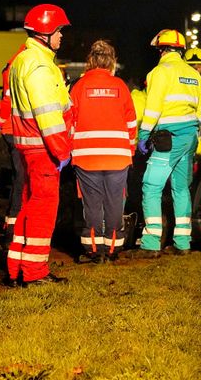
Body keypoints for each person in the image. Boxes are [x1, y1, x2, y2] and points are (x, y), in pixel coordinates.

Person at [5, 3, 73, 287]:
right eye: (59, 31)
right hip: (43, 147)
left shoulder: (24, 60)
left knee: (29, 205)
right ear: (45, 32)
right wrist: (62, 150)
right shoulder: (40, 65)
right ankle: (34, 273)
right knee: (44, 208)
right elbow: (48, 114)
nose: (62, 36)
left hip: (30, 146)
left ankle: (17, 267)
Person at [132, 29, 201, 258]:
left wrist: (143, 135)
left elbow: (152, 107)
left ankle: (151, 242)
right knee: (181, 188)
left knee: (151, 187)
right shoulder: (194, 76)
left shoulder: (159, 72)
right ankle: (183, 242)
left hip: (168, 139)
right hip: (190, 138)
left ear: (161, 50)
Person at [69, 40, 136, 263]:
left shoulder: (78, 87)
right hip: (118, 156)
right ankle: (113, 248)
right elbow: (131, 123)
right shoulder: (121, 87)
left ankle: (93, 250)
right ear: (111, 62)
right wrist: (131, 149)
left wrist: (70, 150)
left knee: (92, 203)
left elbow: (69, 123)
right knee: (115, 202)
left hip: (87, 156)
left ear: (91, 61)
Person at [0, 43, 27, 250]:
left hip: (12, 128)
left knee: (19, 178)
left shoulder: (13, 62)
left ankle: (13, 226)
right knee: (22, 179)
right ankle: (14, 231)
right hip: (19, 128)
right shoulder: (25, 62)